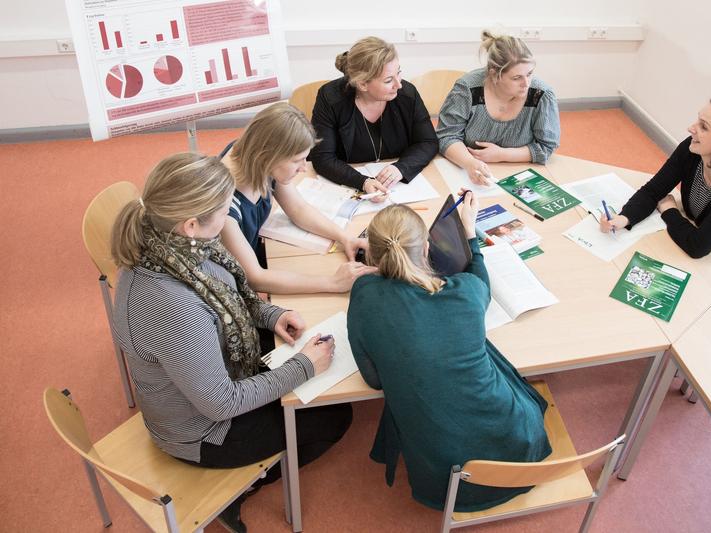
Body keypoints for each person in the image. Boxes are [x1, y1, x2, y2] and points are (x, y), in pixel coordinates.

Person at [111, 153, 352, 532]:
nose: (228, 220)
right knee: (335, 416)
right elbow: (221, 403)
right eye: (224, 212)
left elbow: (227, 297)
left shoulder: (169, 246)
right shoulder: (174, 307)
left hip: (209, 373)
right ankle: (240, 491)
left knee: (301, 373)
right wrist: (304, 366)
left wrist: (272, 316)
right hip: (202, 432)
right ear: (191, 224)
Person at [347, 195, 552, 512]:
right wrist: (469, 232)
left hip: (446, 473)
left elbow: (374, 381)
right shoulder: (466, 291)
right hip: (519, 445)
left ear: (371, 254)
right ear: (427, 249)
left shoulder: (365, 294)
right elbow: (479, 277)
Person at [219, 102, 376, 296]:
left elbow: (299, 209)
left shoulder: (258, 160)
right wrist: (331, 283)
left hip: (253, 257)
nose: (303, 168)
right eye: (296, 161)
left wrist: (345, 238)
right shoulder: (224, 206)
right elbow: (254, 277)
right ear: (267, 155)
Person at [600, 97, 711, 267]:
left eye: (704, 126)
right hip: (697, 234)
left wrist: (669, 210)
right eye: (697, 120)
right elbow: (653, 191)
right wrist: (623, 218)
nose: (691, 128)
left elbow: (697, 246)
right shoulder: (692, 149)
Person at [308, 36, 438, 198]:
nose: (399, 84)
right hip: (347, 188)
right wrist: (363, 182)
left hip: (400, 190)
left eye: (399, 73)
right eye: (389, 80)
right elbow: (322, 157)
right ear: (363, 84)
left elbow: (428, 142)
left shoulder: (407, 95)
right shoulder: (330, 98)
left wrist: (401, 168)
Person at [437, 30, 560, 185]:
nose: (526, 84)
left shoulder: (540, 95)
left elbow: (546, 147)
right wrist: (470, 164)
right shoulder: (467, 89)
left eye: (529, 74)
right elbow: (447, 136)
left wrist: (502, 154)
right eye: (516, 78)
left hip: (522, 172)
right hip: (467, 172)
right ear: (494, 74)